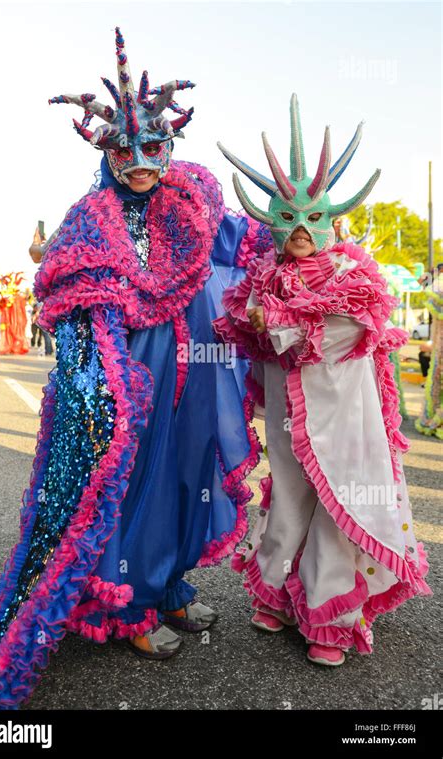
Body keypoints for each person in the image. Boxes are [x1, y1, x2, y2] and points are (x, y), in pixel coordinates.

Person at [0, 27, 271, 708]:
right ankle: (126, 606)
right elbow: (70, 300)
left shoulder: (195, 197)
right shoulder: (90, 218)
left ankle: (166, 589)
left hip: (199, 374)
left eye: (152, 148)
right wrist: (104, 381)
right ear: (104, 152)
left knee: (188, 477)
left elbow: (251, 243)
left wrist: (311, 242)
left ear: (171, 146)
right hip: (134, 381)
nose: (139, 161)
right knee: (138, 484)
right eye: (124, 149)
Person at [214, 94, 431, 666]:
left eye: (314, 216)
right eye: (289, 218)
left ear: (332, 217)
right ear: (272, 223)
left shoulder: (352, 272)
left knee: (339, 506)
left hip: (343, 412)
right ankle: (280, 595)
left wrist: (281, 324)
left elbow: (348, 329)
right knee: (287, 496)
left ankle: (329, 618)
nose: (303, 228)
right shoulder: (264, 274)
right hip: (290, 415)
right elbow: (251, 335)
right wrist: (262, 322)